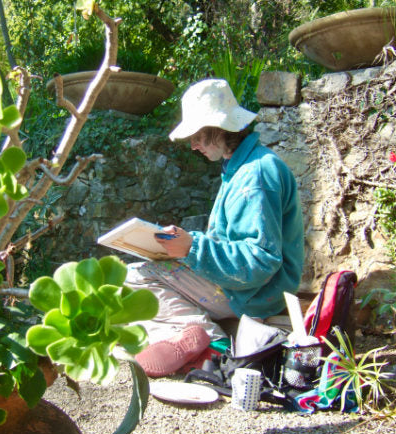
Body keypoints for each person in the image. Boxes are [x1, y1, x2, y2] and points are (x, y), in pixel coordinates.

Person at [126, 79, 305, 377]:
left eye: (197, 136)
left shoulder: (255, 175)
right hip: (249, 287)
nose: (194, 145)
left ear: (219, 128)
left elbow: (261, 261)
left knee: (135, 277)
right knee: (140, 282)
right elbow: (233, 243)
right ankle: (198, 334)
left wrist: (193, 247)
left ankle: (213, 341)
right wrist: (183, 248)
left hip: (258, 291)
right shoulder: (241, 167)